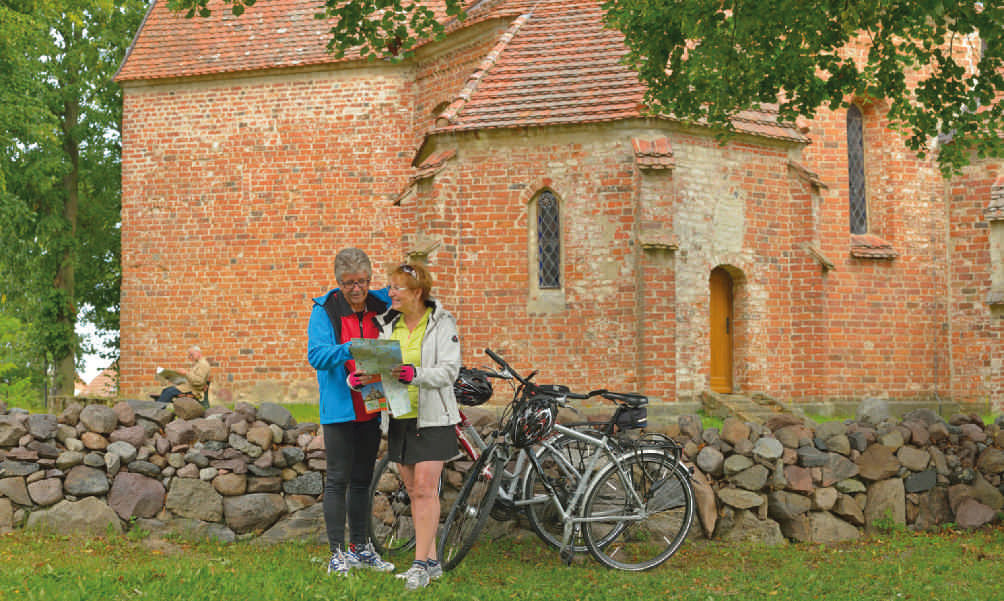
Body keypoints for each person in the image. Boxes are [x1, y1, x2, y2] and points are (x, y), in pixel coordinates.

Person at [367, 262, 462, 590]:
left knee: (424, 488)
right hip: (399, 416)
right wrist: (362, 380)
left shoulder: (442, 322)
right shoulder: (387, 325)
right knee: (413, 490)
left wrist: (416, 374)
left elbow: (450, 371)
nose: (389, 292)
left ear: (417, 292)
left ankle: (420, 565)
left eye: (397, 287)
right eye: (390, 286)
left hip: (433, 418)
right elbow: (381, 371)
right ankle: (432, 560)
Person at [307, 248, 395, 576]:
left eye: (362, 282)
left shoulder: (380, 303)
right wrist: (351, 348)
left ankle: (361, 547)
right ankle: (336, 553)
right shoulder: (325, 309)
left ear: (371, 280)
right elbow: (316, 355)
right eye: (349, 284)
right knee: (337, 480)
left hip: (371, 405)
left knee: (362, 480)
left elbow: (412, 292)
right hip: (340, 408)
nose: (356, 289)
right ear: (338, 283)